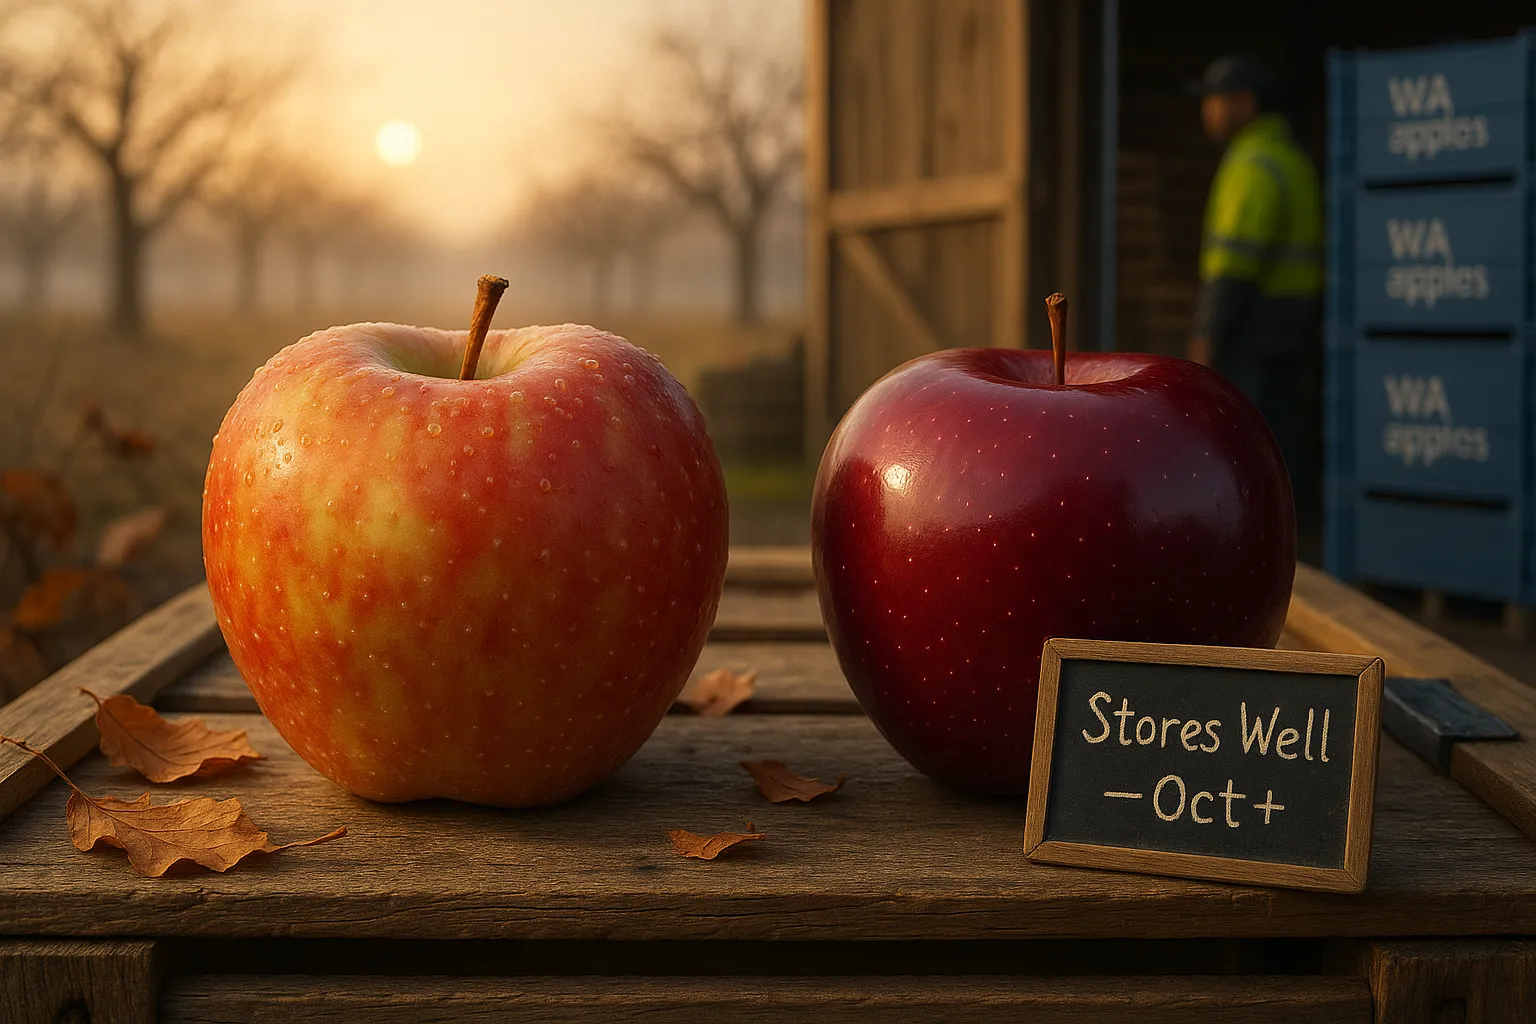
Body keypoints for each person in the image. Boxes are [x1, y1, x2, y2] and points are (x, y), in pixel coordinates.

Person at [1187, 54, 1323, 549]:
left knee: (1246, 449)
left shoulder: (1252, 164)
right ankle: (1290, 539)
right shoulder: (1291, 158)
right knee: (1281, 439)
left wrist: (1208, 335)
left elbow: (1234, 264)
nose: (1208, 111)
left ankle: (1257, 544)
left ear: (1244, 103)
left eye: (1215, 100)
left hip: (1251, 326)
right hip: (1292, 324)